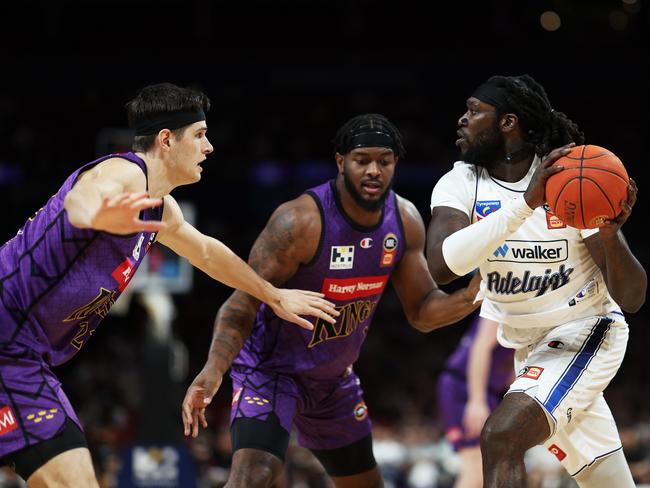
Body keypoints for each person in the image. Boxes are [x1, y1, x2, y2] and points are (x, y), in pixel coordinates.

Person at [0, 82, 339, 487]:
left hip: (25, 356)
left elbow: (208, 254)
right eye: (200, 135)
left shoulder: (161, 208)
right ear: (166, 139)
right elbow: (83, 199)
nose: (209, 147)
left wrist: (273, 294)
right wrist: (100, 217)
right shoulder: (121, 173)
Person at [182, 113, 482, 488]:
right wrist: (214, 369)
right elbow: (241, 303)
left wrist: (473, 295)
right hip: (271, 372)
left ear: (395, 164)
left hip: (333, 383)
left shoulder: (404, 220)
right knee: (254, 476)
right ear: (341, 162)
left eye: (384, 161)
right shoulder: (299, 222)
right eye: (362, 160)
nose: (373, 170)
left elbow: (422, 313)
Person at [426, 74, 646, 487]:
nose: (462, 119)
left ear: (508, 122)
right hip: (528, 346)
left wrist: (611, 234)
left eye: (474, 111)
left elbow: (632, 297)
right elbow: (441, 266)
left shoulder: (568, 179)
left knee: (501, 435)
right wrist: (526, 204)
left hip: (586, 332)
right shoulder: (460, 182)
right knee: (607, 481)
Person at [437, 315, 514, 488]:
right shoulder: (506, 299)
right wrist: (476, 401)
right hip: (466, 386)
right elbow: (481, 346)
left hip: (488, 391)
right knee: (476, 465)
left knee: (490, 468)